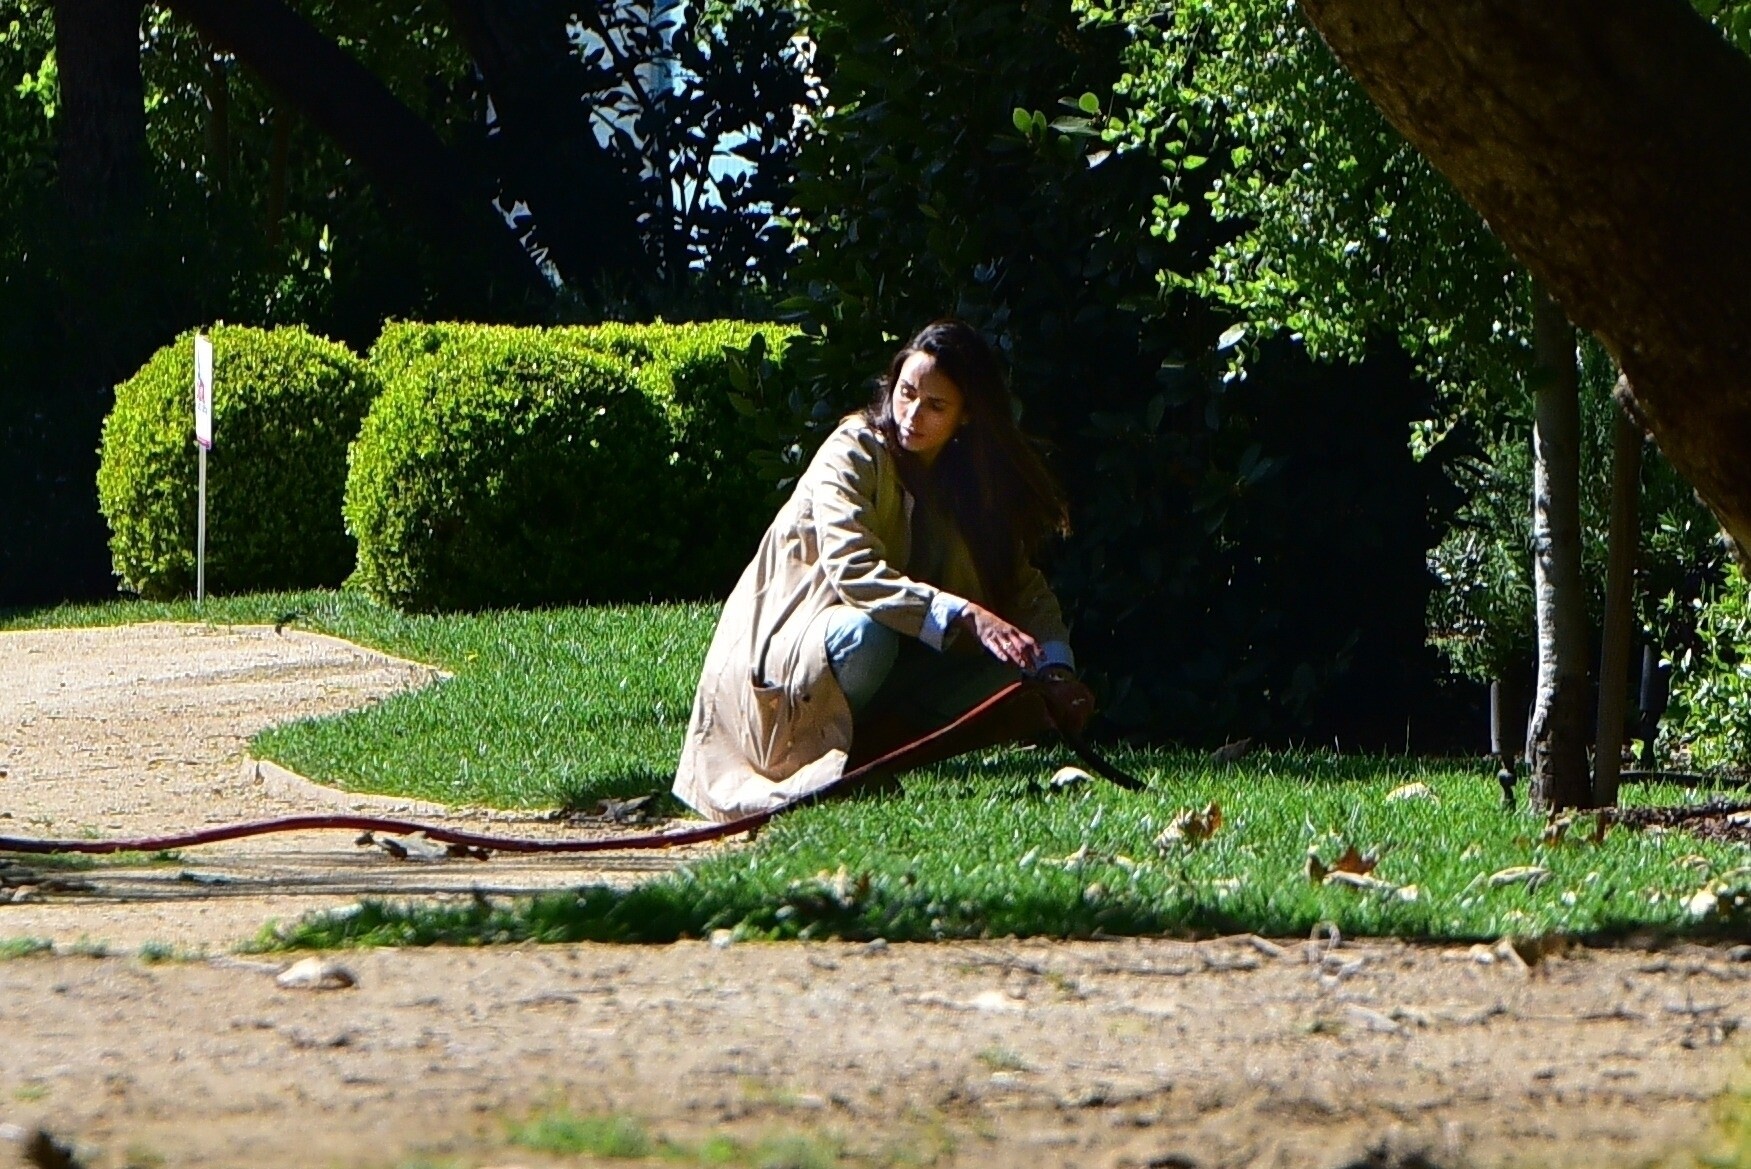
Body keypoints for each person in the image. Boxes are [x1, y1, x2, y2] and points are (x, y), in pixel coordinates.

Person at [673, 319, 1094, 822]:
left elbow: (1024, 588)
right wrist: (963, 613)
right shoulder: (852, 450)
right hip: (789, 660)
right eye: (906, 393)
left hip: (881, 657)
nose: (912, 414)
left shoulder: (969, 481)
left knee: (1016, 675)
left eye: (935, 405)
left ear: (966, 416)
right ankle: (821, 765)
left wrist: (1055, 670)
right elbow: (854, 571)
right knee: (869, 635)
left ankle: (862, 762)